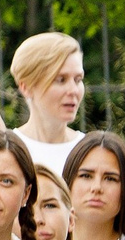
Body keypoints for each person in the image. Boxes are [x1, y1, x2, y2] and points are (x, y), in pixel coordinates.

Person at [10, 33, 88, 177]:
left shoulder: (90, 152)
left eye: (78, 80)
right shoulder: (9, 149)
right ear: (26, 87)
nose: (73, 90)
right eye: (60, 80)